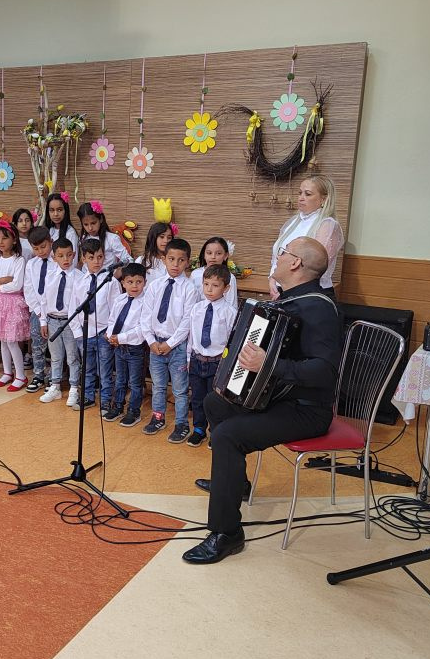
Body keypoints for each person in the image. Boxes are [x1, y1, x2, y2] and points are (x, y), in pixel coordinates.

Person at [184, 237, 341, 565]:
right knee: (215, 404)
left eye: (283, 252)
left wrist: (267, 364)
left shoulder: (319, 308)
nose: (278, 256)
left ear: (295, 263)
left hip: (306, 410)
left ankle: (227, 533)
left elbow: (325, 372)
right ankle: (235, 483)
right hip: (282, 398)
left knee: (227, 436)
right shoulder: (292, 300)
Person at [140, 237, 198, 442]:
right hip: (155, 344)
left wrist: (170, 344)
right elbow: (145, 316)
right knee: (158, 386)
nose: (175, 264)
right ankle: (158, 418)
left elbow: (187, 321)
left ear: (187, 262)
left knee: (180, 390)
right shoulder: (154, 286)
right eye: (171, 259)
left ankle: (181, 423)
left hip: (177, 346)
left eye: (181, 260)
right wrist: (151, 341)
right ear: (164, 259)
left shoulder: (190, 289)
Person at [268, 175, 344, 298]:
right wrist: (273, 279)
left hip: (309, 293)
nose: (301, 198)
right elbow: (278, 256)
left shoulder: (328, 225)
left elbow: (315, 266)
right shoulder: (293, 222)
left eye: (308, 194)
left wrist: (287, 288)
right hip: (283, 289)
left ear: (324, 199)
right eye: (300, 193)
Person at [186, 264, 237, 448]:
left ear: (226, 288)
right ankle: (199, 429)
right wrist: (188, 358)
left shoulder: (230, 312)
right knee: (197, 398)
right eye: (206, 284)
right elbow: (191, 336)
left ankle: (216, 431)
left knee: (215, 401)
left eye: (215, 285)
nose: (209, 289)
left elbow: (232, 341)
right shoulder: (196, 308)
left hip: (217, 363)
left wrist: (228, 366)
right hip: (197, 360)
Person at [68, 238, 120, 411]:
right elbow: (73, 308)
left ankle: (105, 400)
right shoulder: (79, 282)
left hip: (103, 333)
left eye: (100, 257)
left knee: (105, 370)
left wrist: (109, 332)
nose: (96, 261)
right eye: (91, 258)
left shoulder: (110, 282)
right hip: (85, 333)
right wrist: (78, 333)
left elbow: (115, 310)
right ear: (83, 259)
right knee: (87, 368)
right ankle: (88, 396)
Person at [0, 219, 30, 391]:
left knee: (11, 341)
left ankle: (21, 375)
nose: (1, 242)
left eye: (5, 238)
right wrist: (2, 280)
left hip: (12, 304)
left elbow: (17, 285)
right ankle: (7, 372)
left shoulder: (19, 260)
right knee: (3, 340)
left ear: (14, 240)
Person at [104, 262, 148, 426]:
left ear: (145, 282)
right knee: (120, 380)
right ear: (123, 283)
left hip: (135, 348)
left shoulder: (146, 302)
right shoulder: (120, 300)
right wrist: (110, 335)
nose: (134, 286)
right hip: (118, 347)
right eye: (130, 282)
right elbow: (112, 320)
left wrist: (120, 338)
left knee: (135, 383)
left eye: (139, 282)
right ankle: (118, 406)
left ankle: (134, 411)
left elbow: (142, 329)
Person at [39, 238, 81, 406]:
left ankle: (74, 388)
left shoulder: (79, 277)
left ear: (74, 255)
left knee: (72, 357)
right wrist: (43, 321)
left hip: (70, 322)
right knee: (55, 357)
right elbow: (43, 300)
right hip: (52, 320)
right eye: (61, 255)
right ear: (53, 257)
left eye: (69, 255)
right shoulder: (50, 275)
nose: (66, 259)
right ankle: (55, 386)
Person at [23, 226, 53, 393]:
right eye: (36, 248)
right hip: (37, 310)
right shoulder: (31, 264)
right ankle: (38, 375)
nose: (40, 251)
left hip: (54, 312)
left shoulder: (57, 263)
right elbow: (29, 289)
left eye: (43, 247)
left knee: (55, 346)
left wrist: (47, 311)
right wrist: (38, 311)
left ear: (51, 242)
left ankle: (54, 376)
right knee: (37, 344)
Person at [76, 201, 127, 272]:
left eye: (93, 223)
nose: (90, 228)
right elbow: (82, 261)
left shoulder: (112, 239)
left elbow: (127, 260)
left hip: (107, 277)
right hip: (86, 277)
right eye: (86, 224)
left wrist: (115, 276)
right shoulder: (83, 238)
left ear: (101, 219)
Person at [191, 236, 238, 311]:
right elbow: (190, 300)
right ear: (204, 255)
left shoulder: (230, 278)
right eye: (209, 253)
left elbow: (232, 305)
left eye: (218, 253)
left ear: (225, 256)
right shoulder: (195, 274)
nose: (213, 257)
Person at [44, 192, 79, 266]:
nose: (55, 214)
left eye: (59, 210)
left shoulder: (70, 233)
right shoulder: (48, 230)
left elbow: (73, 261)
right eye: (52, 210)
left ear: (65, 211)